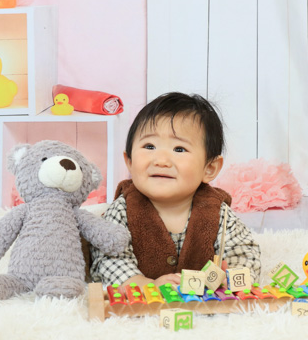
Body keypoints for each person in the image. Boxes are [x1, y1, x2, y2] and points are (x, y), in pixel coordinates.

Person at [90, 92, 261, 288]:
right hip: (145, 300)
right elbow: (108, 259)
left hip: (200, 299)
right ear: (129, 161)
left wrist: (228, 278)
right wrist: (143, 284)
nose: (161, 161)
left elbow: (245, 253)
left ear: (209, 168)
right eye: (149, 146)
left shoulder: (217, 211)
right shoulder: (123, 209)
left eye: (179, 149)